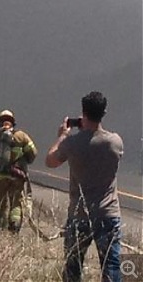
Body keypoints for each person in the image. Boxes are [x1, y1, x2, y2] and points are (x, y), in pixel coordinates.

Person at [45, 91, 123, 282]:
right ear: (104, 112)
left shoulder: (72, 144)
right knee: (111, 266)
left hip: (80, 215)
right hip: (108, 214)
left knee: (73, 267)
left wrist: (62, 136)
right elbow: (100, 142)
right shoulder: (114, 142)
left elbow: (50, 161)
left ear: (83, 112)